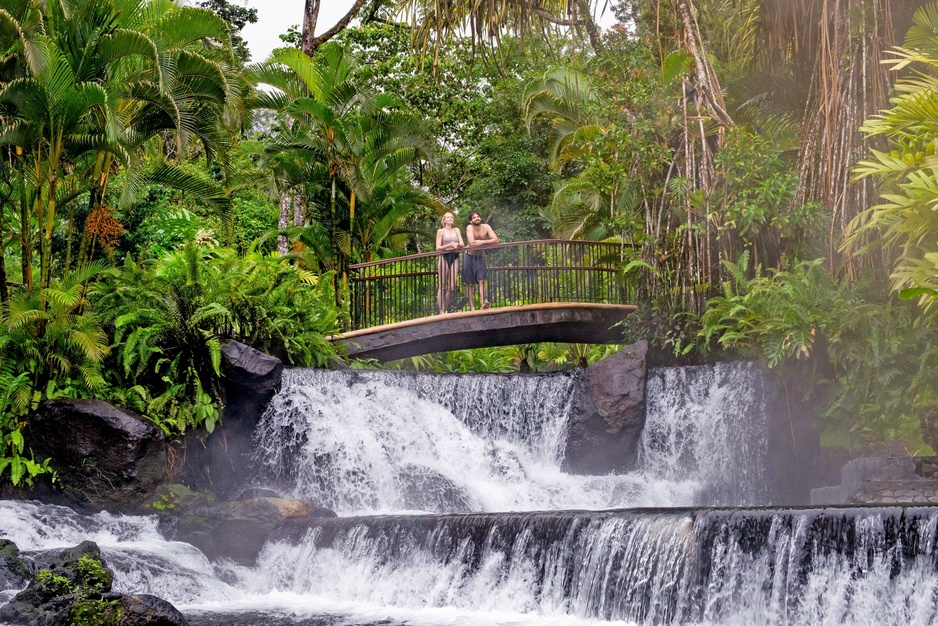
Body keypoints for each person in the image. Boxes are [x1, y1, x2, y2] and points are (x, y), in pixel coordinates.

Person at [462, 211, 498, 311]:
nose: (477, 218)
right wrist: (486, 243)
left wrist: (482, 242)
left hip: (480, 257)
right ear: (470, 221)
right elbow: (472, 243)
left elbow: (496, 240)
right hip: (468, 256)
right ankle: (472, 307)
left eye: (478, 216)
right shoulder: (469, 228)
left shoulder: (486, 227)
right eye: (474, 217)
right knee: (469, 283)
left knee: (481, 280)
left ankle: (483, 303)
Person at [435, 212, 464, 314]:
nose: (450, 218)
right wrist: (449, 246)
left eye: (452, 217)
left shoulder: (456, 230)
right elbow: (438, 247)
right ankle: (441, 310)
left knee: (452, 287)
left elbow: (462, 243)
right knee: (442, 285)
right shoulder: (441, 231)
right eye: (448, 217)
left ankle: (445, 307)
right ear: (444, 220)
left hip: (455, 256)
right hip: (444, 257)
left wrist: (456, 244)